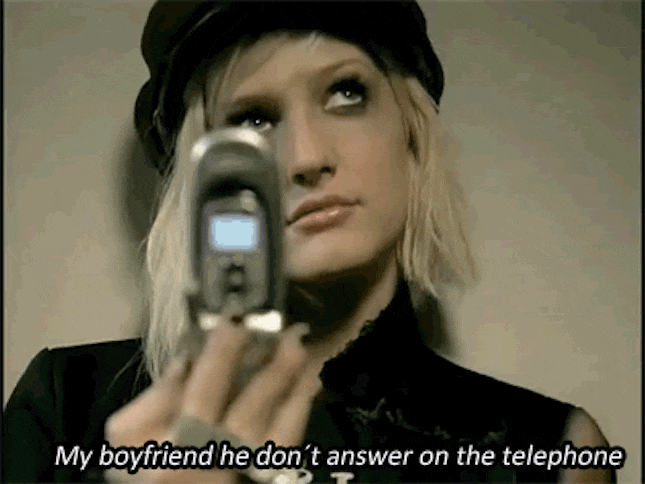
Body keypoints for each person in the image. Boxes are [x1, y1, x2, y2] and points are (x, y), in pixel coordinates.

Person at [3, 2, 615, 483]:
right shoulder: (66, 408)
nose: (306, 157)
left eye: (347, 92)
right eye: (252, 119)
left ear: (411, 131)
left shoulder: (549, 451)